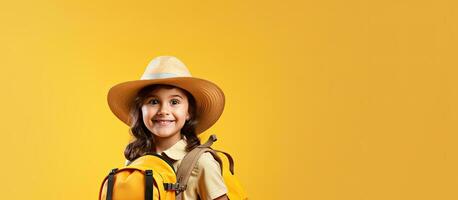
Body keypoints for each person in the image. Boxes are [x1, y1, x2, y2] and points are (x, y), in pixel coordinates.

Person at [107, 56, 229, 200]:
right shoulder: (135, 158)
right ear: (140, 109)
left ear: (189, 111)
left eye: (174, 102)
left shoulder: (202, 163)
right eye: (153, 101)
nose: (163, 110)